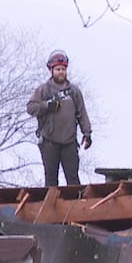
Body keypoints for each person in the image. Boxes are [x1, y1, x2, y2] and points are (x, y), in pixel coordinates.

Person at [27, 49, 93, 186]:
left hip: (69, 142)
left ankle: (76, 205)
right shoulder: (43, 90)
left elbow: (82, 113)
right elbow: (31, 108)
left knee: (73, 180)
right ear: (51, 70)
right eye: (58, 69)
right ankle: (50, 206)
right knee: (51, 180)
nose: (61, 72)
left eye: (63, 69)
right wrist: (47, 106)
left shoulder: (74, 91)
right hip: (49, 142)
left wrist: (87, 133)